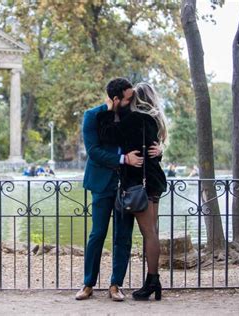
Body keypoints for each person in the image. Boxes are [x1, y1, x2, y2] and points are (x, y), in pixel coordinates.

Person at [75, 77, 162, 301]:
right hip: (102, 183)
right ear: (116, 99)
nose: (131, 101)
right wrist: (123, 159)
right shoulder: (92, 116)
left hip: (128, 186)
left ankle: (116, 285)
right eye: (128, 98)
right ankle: (88, 284)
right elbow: (93, 151)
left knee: (122, 237)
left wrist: (158, 149)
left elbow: (143, 140)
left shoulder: (128, 116)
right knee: (97, 234)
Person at [97, 82, 167, 301]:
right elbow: (153, 151)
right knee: (152, 231)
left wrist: (109, 110)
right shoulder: (154, 119)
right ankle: (151, 281)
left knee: (149, 233)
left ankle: (153, 280)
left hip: (138, 183)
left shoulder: (135, 119)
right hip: (154, 180)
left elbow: (109, 135)